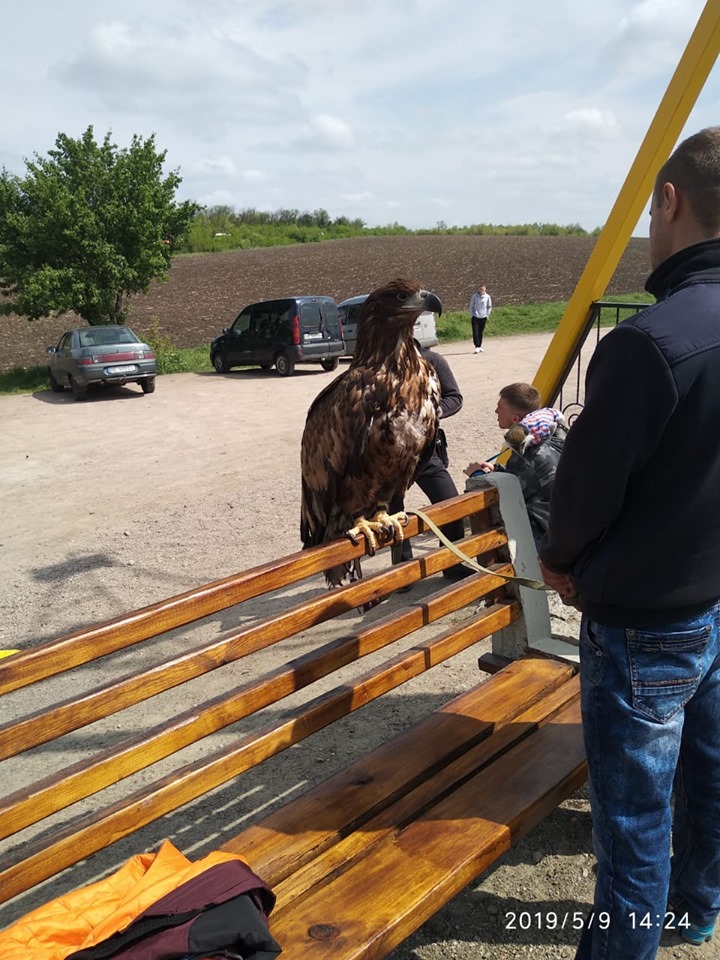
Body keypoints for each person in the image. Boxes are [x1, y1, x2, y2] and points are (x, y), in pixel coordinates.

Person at [538, 127, 720, 960]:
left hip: (643, 624)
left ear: (671, 203)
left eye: (652, 208)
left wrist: (563, 561)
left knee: (633, 818)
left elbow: (581, 494)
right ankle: (700, 907)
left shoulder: (649, 344)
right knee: (711, 774)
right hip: (715, 604)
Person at [392, 344, 470, 582]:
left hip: (425, 451)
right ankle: (404, 573)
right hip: (388, 457)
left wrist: (429, 412)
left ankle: (452, 564)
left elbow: (454, 397)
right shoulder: (379, 366)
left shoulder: (432, 360)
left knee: (451, 506)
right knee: (394, 516)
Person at [464, 382, 566, 547]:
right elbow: (525, 478)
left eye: (500, 408)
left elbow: (505, 495)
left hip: (547, 539)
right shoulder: (554, 436)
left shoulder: (530, 456)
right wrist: (496, 471)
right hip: (568, 526)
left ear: (515, 419)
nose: (496, 412)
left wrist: (477, 475)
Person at [469, 285, 492, 353]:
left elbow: (489, 306)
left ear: (485, 290)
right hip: (475, 317)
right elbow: (471, 306)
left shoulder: (487, 297)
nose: (481, 290)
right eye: (480, 289)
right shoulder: (474, 296)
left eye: (483, 289)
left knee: (480, 332)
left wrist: (487, 315)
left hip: (483, 317)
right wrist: (472, 315)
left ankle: (480, 346)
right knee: (475, 332)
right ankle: (477, 346)